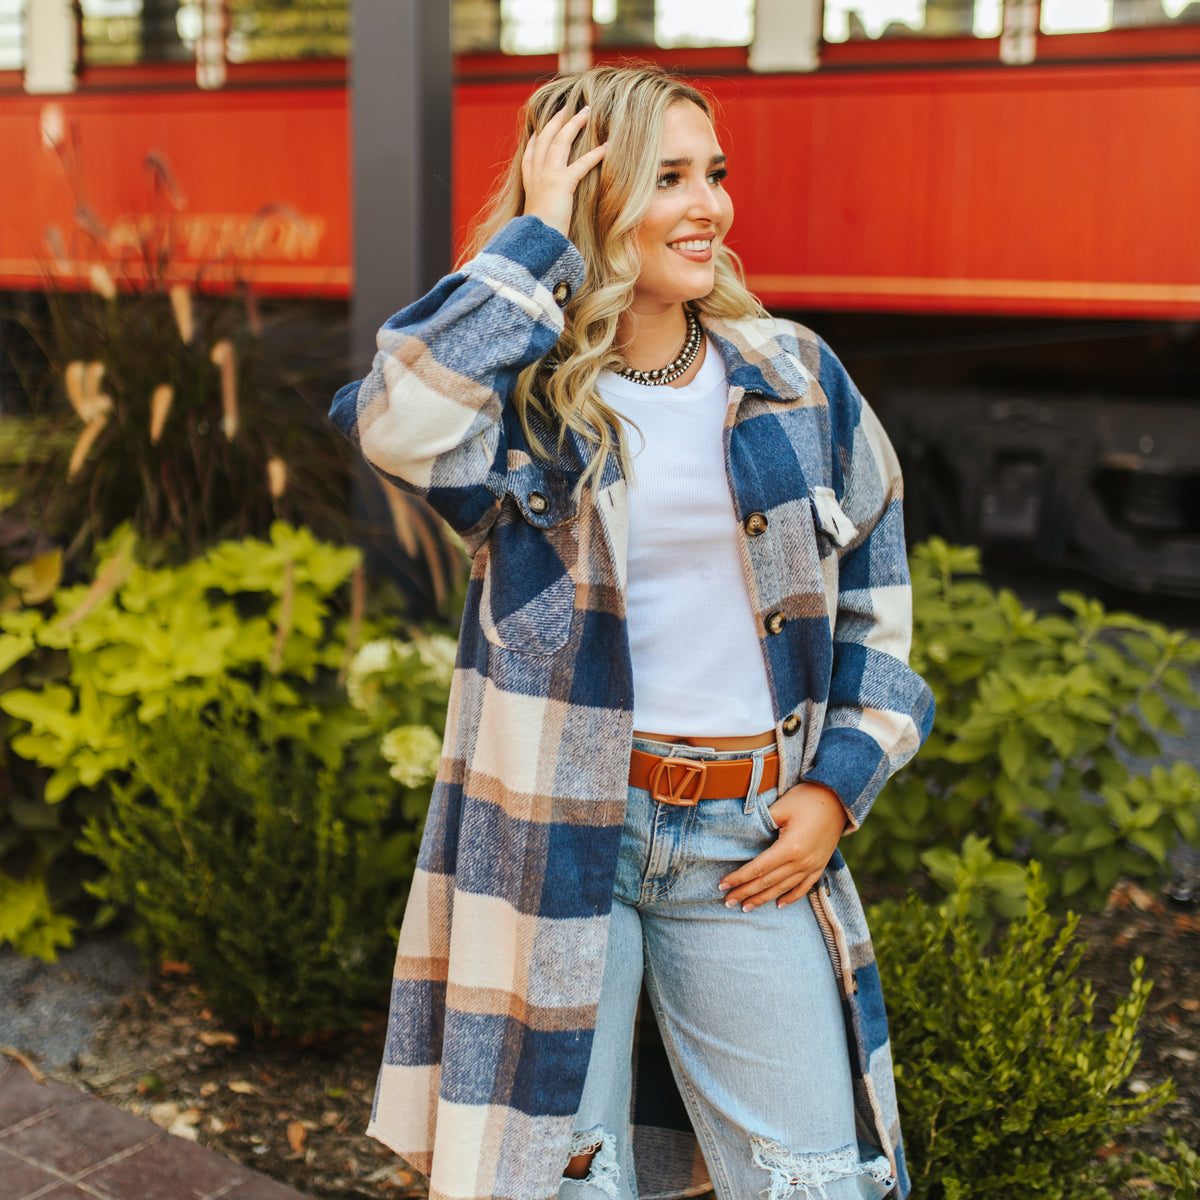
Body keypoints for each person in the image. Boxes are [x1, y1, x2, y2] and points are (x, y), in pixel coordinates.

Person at [331, 63, 933, 1200]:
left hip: (745, 842)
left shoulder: (797, 377)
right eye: (666, 178)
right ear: (597, 202)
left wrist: (837, 785)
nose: (710, 204)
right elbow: (395, 421)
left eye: (715, 174)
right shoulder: (524, 402)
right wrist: (534, 241)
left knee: (817, 1177)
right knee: (561, 1180)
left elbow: (879, 611)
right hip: (562, 839)